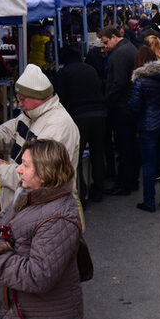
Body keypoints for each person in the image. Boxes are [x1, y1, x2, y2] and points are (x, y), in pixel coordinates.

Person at [0, 139, 83, 319]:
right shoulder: (30, 193)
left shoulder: (59, 218)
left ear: (44, 173)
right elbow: (4, 217)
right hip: (18, 314)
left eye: (25, 165)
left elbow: (37, 276)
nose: (18, 170)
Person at [0, 64, 80, 209]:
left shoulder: (58, 127)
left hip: (43, 211)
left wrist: (0, 169)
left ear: (37, 97)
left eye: (22, 99)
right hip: (24, 205)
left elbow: (40, 175)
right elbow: (7, 134)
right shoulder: (31, 114)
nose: (20, 104)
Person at [128, 46, 160, 212]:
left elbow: (134, 106)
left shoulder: (141, 81)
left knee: (149, 165)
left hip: (148, 126)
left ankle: (149, 202)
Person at [52, 47, 106, 203]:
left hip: (79, 117)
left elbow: (60, 99)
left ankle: (81, 194)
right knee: (97, 154)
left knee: (77, 156)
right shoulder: (91, 69)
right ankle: (98, 190)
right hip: (100, 114)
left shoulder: (63, 74)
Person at [101, 25, 140, 196]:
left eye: (106, 42)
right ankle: (131, 181)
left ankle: (125, 183)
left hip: (122, 106)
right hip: (129, 104)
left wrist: (108, 99)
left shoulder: (119, 54)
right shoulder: (128, 48)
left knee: (124, 146)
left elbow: (119, 82)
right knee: (129, 145)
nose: (105, 46)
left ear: (114, 37)